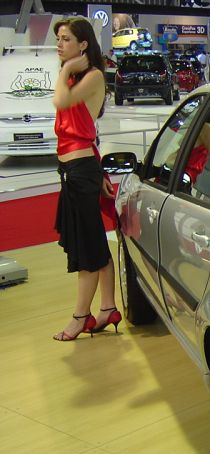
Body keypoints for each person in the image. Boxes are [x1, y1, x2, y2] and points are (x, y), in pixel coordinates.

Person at [51, 16, 118, 341]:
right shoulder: (78, 77)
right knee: (92, 242)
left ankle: (81, 317)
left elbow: (61, 102)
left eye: (65, 39)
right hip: (77, 172)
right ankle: (107, 307)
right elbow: (89, 135)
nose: (59, 45)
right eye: (59, 39)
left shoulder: (91, 77)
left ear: (83, 44)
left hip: (80, 173)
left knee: (87, 251)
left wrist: (64, 71)